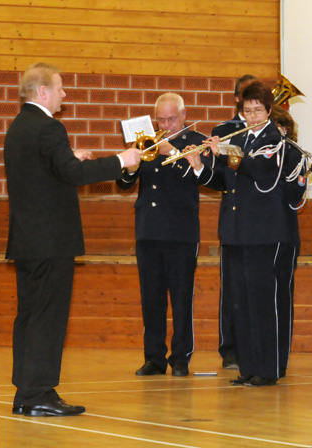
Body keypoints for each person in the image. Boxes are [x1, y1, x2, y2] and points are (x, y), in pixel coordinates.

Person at [4, 62, 142, 416]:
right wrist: (121, 160)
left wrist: (70, 157)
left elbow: (48, 171)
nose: (64, 94)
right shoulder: (50, 127)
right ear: (43, 92)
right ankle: (39, 394)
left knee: (30, 315)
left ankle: (26, 391)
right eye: (59, 88)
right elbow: (74, 175)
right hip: (51, 241)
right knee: (48, 318)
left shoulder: (18, 127)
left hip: (28, 240)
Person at [189, 82, 289, 387]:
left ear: (268, 111)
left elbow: (257, 171)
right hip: (235, 231)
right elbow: (224, 182)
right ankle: (248, 367)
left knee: (261, 302)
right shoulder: (240, 138)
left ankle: (267, 369)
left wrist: (223, 153)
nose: (253, 116)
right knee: (241, 302)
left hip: (262, 233)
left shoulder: (275, 139)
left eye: (258, 110)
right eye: (247, 111)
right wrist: (199, 166)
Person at [116, 93, 207, 377]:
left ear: (184, 115)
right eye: (161, 119)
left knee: (181, 298)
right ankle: (153, 358)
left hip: (181, 230)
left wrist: (171, 151)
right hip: (148, 228)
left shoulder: (197, 142)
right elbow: (124, 184)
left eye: (172, 119)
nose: (166, 125)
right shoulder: (147, 141)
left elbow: (200, 177)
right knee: (151, 298)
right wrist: (131, 167)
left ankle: (180, 358)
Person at [210, 73, 258, 370]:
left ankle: (255, 349)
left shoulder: (271, 131)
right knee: (231, 288)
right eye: (247, 96)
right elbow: (218, 177)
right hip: (233, 216)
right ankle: (230, 349)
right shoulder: (224, 130)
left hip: (260, 218)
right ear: (238, 99)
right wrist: (201, 166)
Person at [269, 105, 308, 377]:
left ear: (285, 130)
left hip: (284, 236)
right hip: (260, 236)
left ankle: (279, 360)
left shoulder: (295, 155)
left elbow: (295, 196)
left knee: (281, 299)